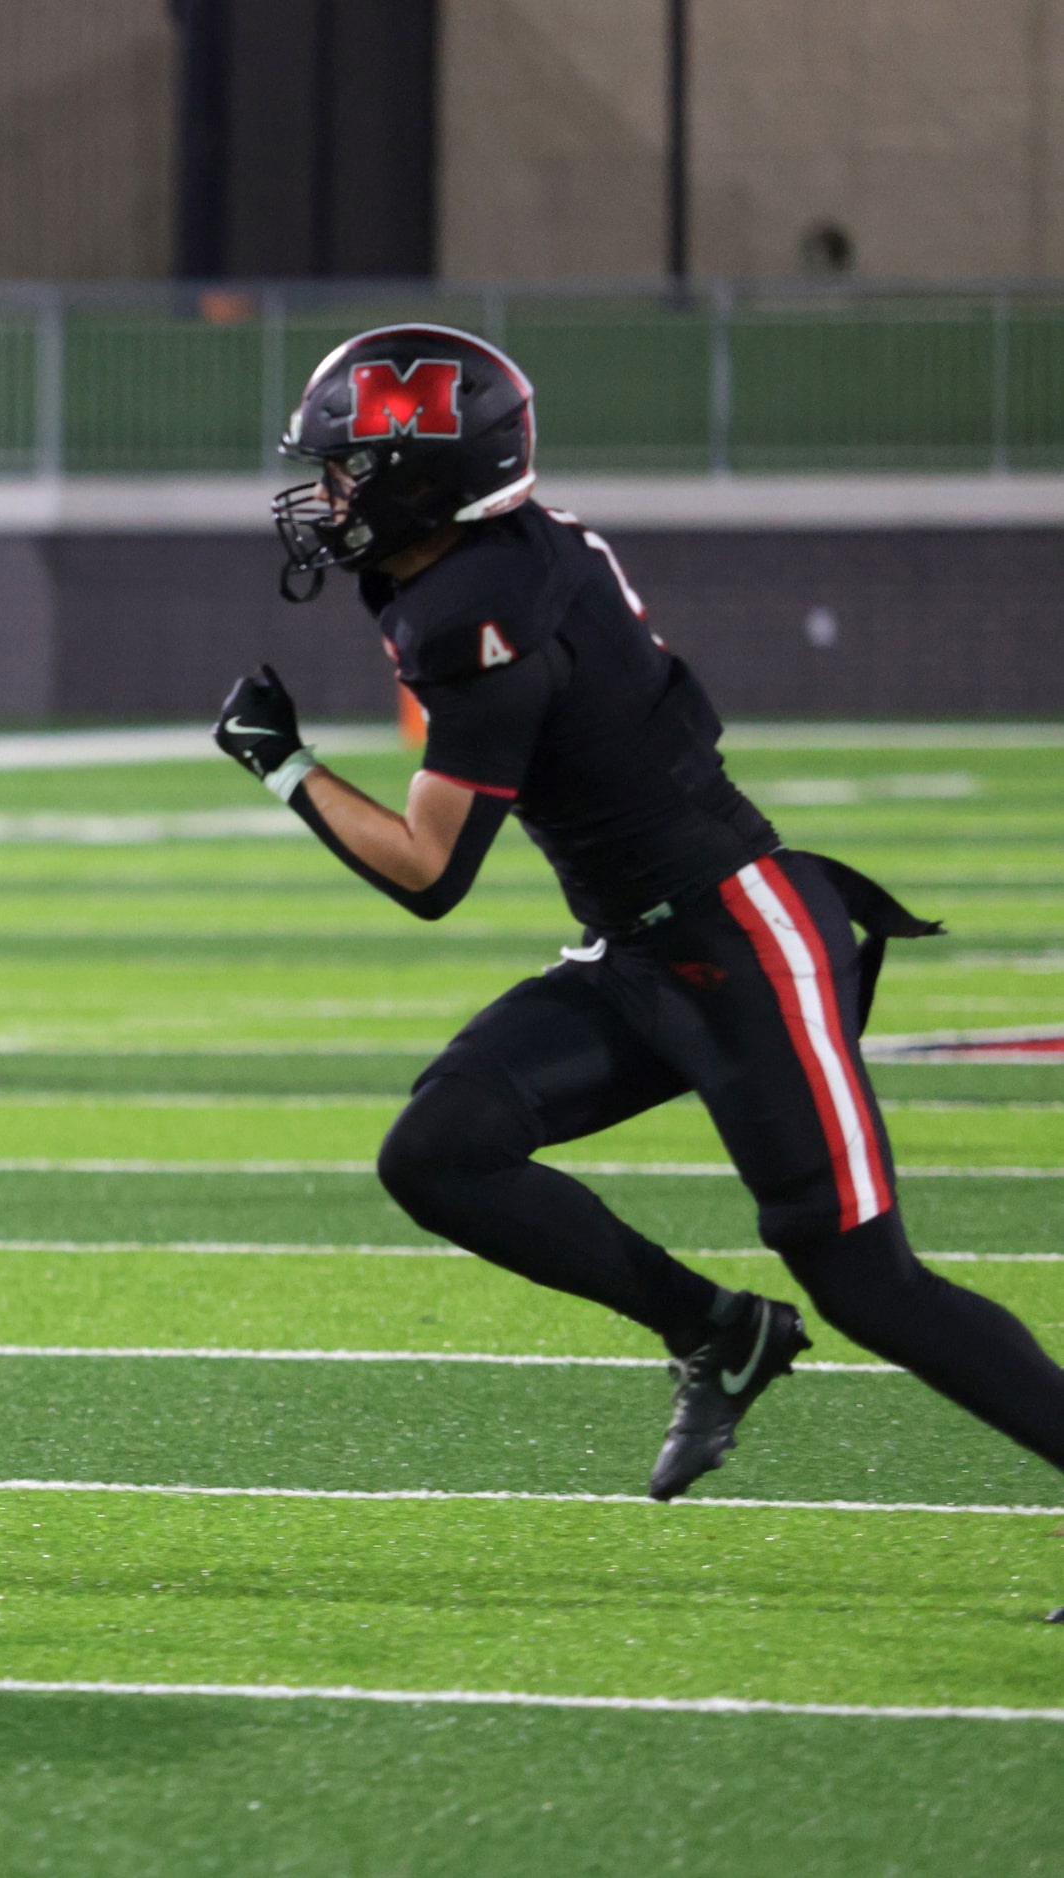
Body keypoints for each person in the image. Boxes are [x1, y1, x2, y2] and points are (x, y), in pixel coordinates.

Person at [213, 323, 1064, 1501]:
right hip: (643, 948)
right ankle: (719, 1332)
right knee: (438, 1153)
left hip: (739, 940)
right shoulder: (477, 563)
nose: (328, 490)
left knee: (868, 1280)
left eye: (350, 466)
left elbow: (429, 872)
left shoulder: (478, 606)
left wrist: (285, 768)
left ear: (426, 477)